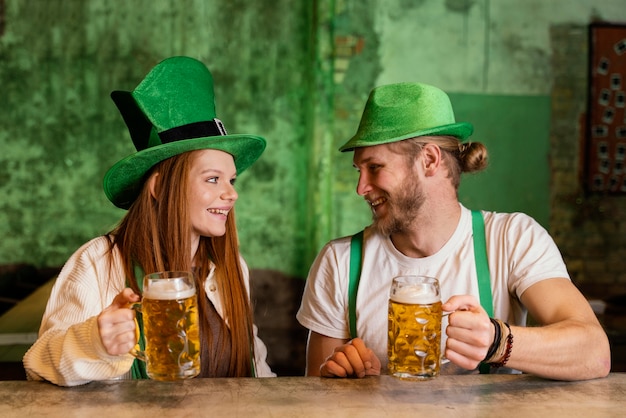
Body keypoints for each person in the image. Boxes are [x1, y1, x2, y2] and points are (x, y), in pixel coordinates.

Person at [296, 82, 611, 381]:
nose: (361, 187)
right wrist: (344, 378)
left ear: (429, 160)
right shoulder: (340, 262)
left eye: (375, 167)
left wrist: (497, 342)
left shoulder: (512, 238)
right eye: (358, 170)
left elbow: (594, 353)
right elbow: (316, 391)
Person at [23, 56, 275, 386]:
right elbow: (38, 365)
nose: (231, 194)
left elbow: (257, 369)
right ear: (159, 187)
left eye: (232, 180)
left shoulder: (231, 266)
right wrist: (94, 343)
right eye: (213, 179)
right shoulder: (98, 263)